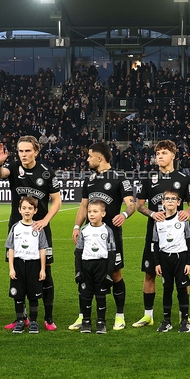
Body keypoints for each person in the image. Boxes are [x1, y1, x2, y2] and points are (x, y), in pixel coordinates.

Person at [0, 136, 62, 330]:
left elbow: (57, 201)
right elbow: (0, 174)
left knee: (45, 272)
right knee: (17, 272)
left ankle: (48, 318)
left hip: (40, 229)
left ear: (36, 152)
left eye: (27, 151)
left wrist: (45, 220)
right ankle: (20, 318)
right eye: (20, 151)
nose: (23, 154)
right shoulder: (14, 168)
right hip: (17, 228)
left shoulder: (47, 172)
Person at [70, 142, 135, 331]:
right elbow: (83, 206)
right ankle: (83, 316)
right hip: (90, 237)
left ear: (100, 158)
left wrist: (123, 215)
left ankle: (120, 316)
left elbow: (131, 204)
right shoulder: (89, 180)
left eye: (90, 156)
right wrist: (76, 226)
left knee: (115, 274)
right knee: (85, 274)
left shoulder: (119, 178)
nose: (87, 159)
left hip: (111, 236)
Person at [133, 140, 190, 328]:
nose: (159, 156)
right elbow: (140, 205)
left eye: (163, 153)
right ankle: (148, 315)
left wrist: (188, 212)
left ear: (173, 156)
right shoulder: (149, 178)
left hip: (177, 236)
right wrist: (152, 213)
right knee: (150, 272)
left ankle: (183, 315)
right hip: (155, 234)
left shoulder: (184, 179)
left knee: (182, 275)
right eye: (157, 153)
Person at [151, 189, 190, 333]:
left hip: (180, 257)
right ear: (162, 202)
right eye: (167, 199)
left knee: (182, 289)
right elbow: (155, 243)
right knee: (167, 289)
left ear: (178, 202)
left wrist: (189, 262)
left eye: (173, 199)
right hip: (164, 258)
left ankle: (184, 321)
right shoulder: (158, 221)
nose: (170, 201)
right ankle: (167, 321)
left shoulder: (183, 220)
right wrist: (157, 262)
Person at [5, 196, 49, 334]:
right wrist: (11, 268)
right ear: (19, 210)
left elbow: (42, 249)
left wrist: (42, 269)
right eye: (24, 208)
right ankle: (20, 321)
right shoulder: (15, 227)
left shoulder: (38, 228)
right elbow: (10, 248)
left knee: (33, 295)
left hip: (34, 265)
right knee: (18, 295)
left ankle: (34, 322)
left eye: (30, 208)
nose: (27, 211)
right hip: (18, 264)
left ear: (35, 211)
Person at [74, 199, 117, 334]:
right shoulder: (84, 230)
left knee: (100, 295)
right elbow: (78, 251)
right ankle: (86, 322)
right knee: (86, 295)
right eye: (89, 212)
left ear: (103, 214)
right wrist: (78, 270)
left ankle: (101, 322)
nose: (91, 214)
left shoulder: (108, 231)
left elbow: (112, 252)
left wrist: (109, 272)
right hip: (87, 266)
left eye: (95, 212)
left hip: (102, 266)